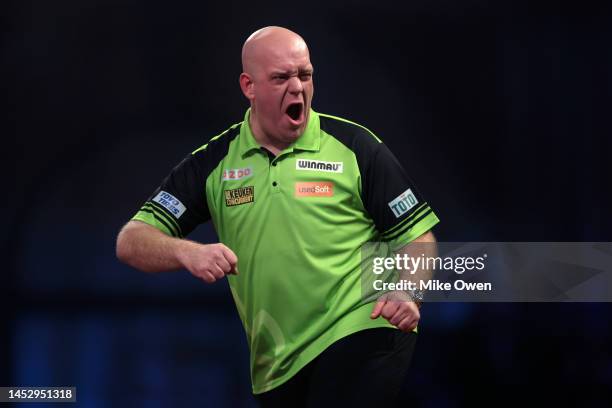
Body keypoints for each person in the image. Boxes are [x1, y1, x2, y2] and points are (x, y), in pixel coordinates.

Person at [116, 26, 439, 406]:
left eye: (305, 75)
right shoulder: (215, 162)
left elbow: (418, 237)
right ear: (248, 86)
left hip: (363, 325)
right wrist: (187, 253)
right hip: (278, 363)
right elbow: (132, 241)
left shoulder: (355, 147)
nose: (298, 87)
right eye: (281, 78)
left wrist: (409, 290)